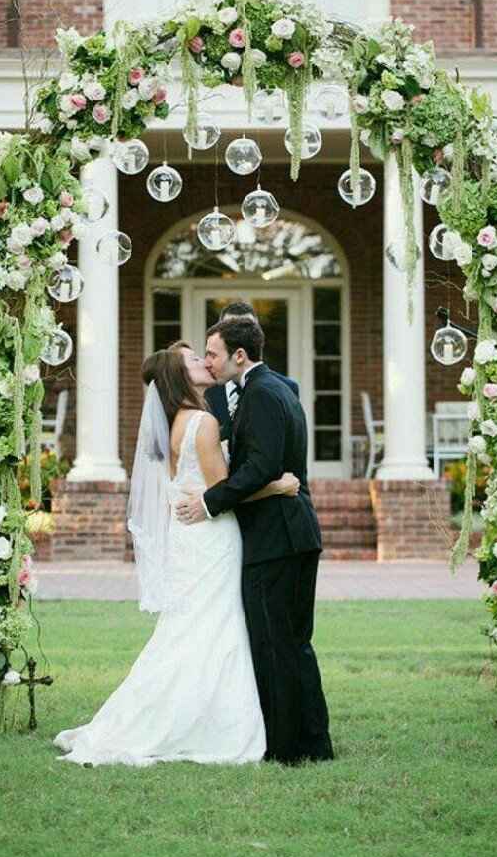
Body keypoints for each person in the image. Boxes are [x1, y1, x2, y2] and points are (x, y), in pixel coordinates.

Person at [53, 343, 300, 767]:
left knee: (189, 629)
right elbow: (227, 491)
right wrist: (277, 485)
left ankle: (182, 716)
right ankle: (209, 725)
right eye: (193, 359)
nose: (204, 362)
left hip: (190, 539)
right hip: (211, 538)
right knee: (214, 626)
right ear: (180, 376)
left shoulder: (175, 423)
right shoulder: (202, 422)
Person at [176, 317, 334, 765]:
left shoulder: (262, 394)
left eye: (213, 353)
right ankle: (314, 743)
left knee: (275, 642)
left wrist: (209, 502)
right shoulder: (274, 388)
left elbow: (259, 469)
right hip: (293, 531)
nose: (208, 361)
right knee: (295, 641)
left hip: (277, 536)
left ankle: (286, 748)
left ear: (238, 355)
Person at [203, 301, 298, 441]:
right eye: (231, 331)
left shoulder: (287, 388)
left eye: (246, 329)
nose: (239, 337)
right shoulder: (205, 390)